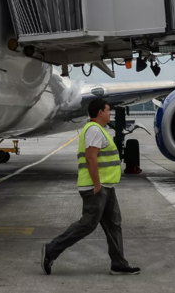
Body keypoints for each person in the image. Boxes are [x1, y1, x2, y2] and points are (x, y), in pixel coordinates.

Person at [41, 99, 140, 275]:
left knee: (114, 225)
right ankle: (51, 250)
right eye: (108, 110)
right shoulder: (94, 130)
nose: (111, 113)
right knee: (87, 224)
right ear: (100, 112)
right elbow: (91, 158)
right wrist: (96, 184)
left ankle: (118, 264)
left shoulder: (99, 130)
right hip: (96, 188)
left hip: (106, 187)